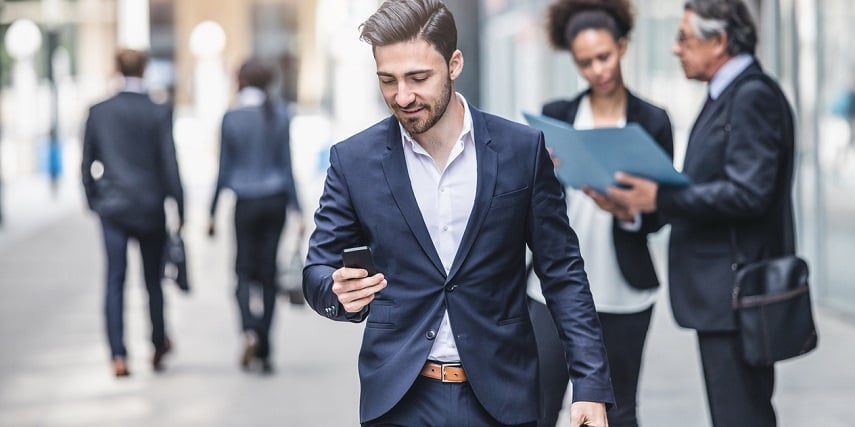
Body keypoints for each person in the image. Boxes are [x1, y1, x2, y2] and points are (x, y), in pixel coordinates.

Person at [303, 1, 613, 426]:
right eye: (387, 80)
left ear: (454, 64)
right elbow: (317, 268)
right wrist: (335, 291)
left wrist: (590, 384)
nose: (403, 96)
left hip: (501, 396)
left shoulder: (521, 150)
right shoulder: (353, 160)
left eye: (418, 77)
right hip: (399, 400)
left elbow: (562, 272)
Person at [602, 1, 796, 425]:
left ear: (720, 41)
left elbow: (749, 193)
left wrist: (662, 198)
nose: (676, 49)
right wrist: (640, 203)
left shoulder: (751, 96)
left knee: (740, 415)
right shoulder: (728, 94)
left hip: (736, 293)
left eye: (685, 38)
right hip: (725, 292)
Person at [527, 1, 673, 426]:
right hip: (551, 287)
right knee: (538, 401)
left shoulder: (652, 121)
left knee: (618, 407)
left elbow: (661, 211)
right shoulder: (557, 117)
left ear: (623, 47)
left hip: (623, 289)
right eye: (585, 62)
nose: (598, 69)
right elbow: (533, 207)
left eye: (604, 56)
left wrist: (628, 209)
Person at [81, 49, 184, 377]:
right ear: (146, 68)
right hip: (150, 207)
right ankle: (157, 344)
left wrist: (93, 200)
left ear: (116, 68)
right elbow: (169, 162)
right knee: (153, 281)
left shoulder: (99, 111)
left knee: (114, 279)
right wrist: (179, 206)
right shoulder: (158, 110)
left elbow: (86, 163)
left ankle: (118, 355)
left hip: (112, 207)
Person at [208, 58, 302, 374]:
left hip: (245, 202)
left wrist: (210, 212)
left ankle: (249, 328)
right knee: (268, 274)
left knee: (243, 272)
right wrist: (298, 209)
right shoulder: (280, 114)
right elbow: (288, 166)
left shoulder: (231, 118)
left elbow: (223, 170)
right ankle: (265, 346)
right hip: (275, 201)